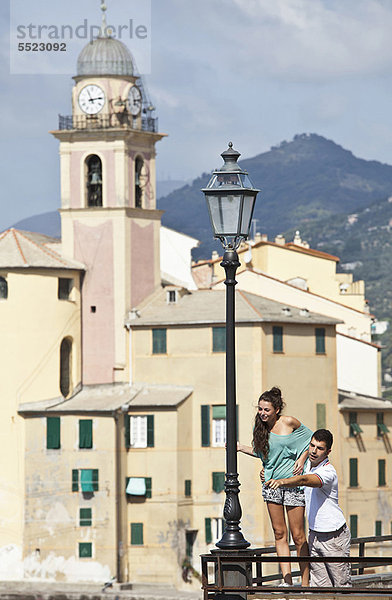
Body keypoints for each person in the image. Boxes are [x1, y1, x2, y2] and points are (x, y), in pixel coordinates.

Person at [238, 387, 313, 586]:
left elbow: (311, 440)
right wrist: (239, 447)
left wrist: (302, 459)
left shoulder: (289, 422)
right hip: (271, 486)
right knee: (279, 534)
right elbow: (261, 453)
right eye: (260, 409)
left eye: (266, 410)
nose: (262, 413)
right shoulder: (260, 427)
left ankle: (305, 583)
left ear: (277, 409)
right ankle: (287, 581)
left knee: (298, 536)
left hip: (293, 484)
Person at [265, 429, 351, 587]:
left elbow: (304, 480)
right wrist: (267, 472)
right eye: (312, 445)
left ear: (328, 452)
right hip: (315, 536)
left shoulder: (328, 472)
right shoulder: (307, 465)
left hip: (333, 536)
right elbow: (284, 462)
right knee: (319, 587)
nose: (314, 451)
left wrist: (283, 481)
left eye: (320, 448)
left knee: (341, 586)